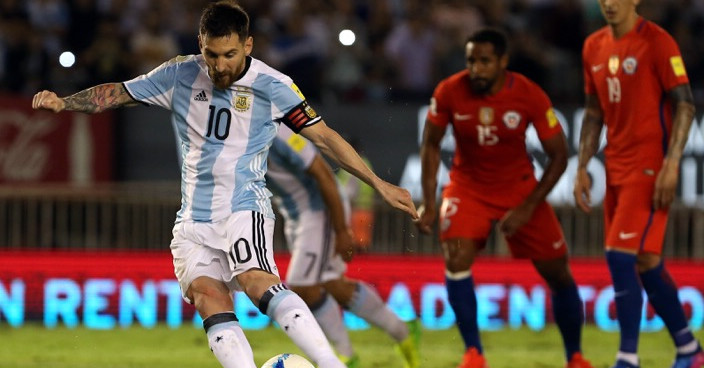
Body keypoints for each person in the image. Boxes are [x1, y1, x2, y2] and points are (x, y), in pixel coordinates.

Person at [31, 2, 417, 368]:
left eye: (229, 54)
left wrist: (378, 183)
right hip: (192, 220)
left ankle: (332, 363)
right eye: (212, 54)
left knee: (255, 281)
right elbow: (117, 92)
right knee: (207, 296)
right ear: (201, 44)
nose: (219, 65)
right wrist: (65, 103)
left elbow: (325, 138)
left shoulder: (274, 85)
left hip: (243, 207)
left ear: (247, 45)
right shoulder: (179, 73)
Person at [415, 28, 593, 368]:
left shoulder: (529, 95)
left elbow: (559, 155)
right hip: (468, 187)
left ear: (503, 62)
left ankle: (576, 357)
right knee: (455, 257)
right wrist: (430, 200)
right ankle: (474, 354)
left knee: (558, 273)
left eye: (484, 61)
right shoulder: (449, 91)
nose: (476, 69)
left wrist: (528, 207)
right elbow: (431, 145)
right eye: (471, 61)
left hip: (520, 190)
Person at [574, 1, 704, 368]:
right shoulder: (593, 46)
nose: (610, 3)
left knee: (619, 255)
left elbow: (685, 105)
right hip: (615, 167)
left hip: (649, 169)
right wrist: (583, 165)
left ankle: (627, 357)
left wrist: (672, 163)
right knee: (646, 262)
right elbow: (594, 110)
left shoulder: (657, 42)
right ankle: (689, 350)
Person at [266, 125, 421, 368]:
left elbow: (325, 175)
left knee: (304, 287)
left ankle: (345, 355)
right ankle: (402, 330)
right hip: (298, 214)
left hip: (320, 210)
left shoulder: (276, 131)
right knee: (331, 283)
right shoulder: (240, 131)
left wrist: (341, 230)